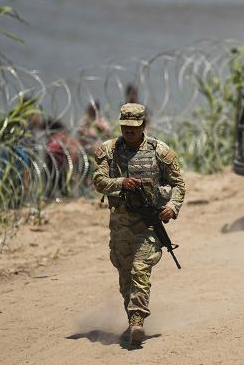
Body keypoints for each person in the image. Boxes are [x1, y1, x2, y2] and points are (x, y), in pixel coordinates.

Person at [92, 103, 185, 346]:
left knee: (140, 270)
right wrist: (121, 182)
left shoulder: (160, 152)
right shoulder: (109, 150)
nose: (129, 131)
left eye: (134, 127)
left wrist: (172, 207)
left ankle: (137, 321)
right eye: (125, 126)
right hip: (120, 224)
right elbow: (99, 181)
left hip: (147, 225)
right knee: (125, 276)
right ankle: (131, 315)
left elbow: (179, 185)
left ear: (144, 125)